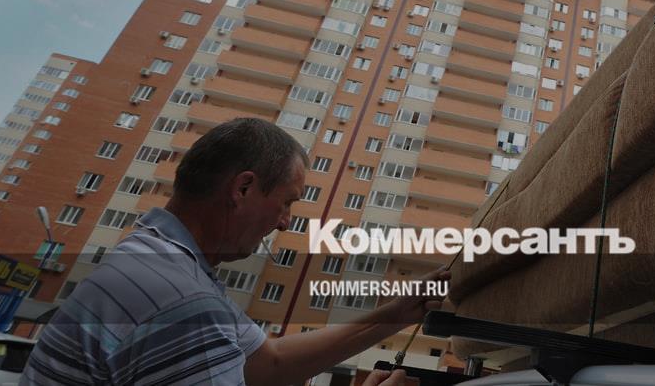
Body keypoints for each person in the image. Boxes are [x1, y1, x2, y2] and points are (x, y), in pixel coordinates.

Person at [22, 117, 447, 385]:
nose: (284, 222)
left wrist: (396, 314)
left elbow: (271, 363)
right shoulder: (177, 298)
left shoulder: (158, 258)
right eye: (286, 203)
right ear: (242, 189)